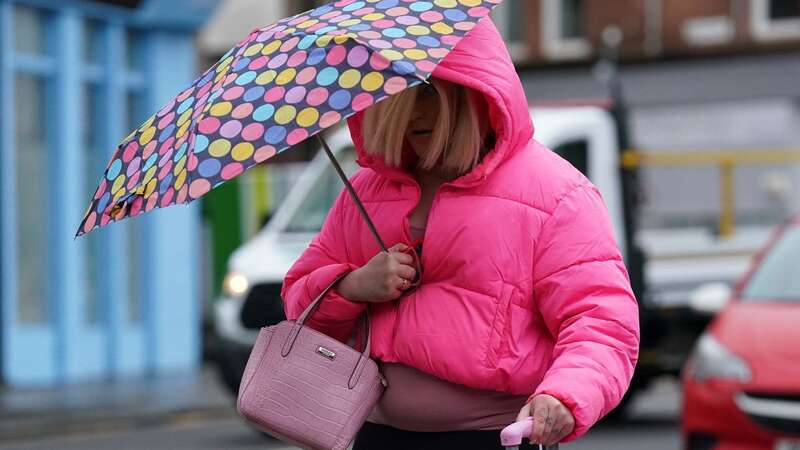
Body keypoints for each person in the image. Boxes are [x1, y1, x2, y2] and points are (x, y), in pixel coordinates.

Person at [282, 17, 639, 450]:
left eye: (431, 91)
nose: (413, 111)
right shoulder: (365, 191)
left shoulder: (556, 193)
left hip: (496, 438)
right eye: (396, 92)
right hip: (372, 434)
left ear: (476, 89)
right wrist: (354, 286)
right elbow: (300, 305)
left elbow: (601, 322)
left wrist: (564, 396)